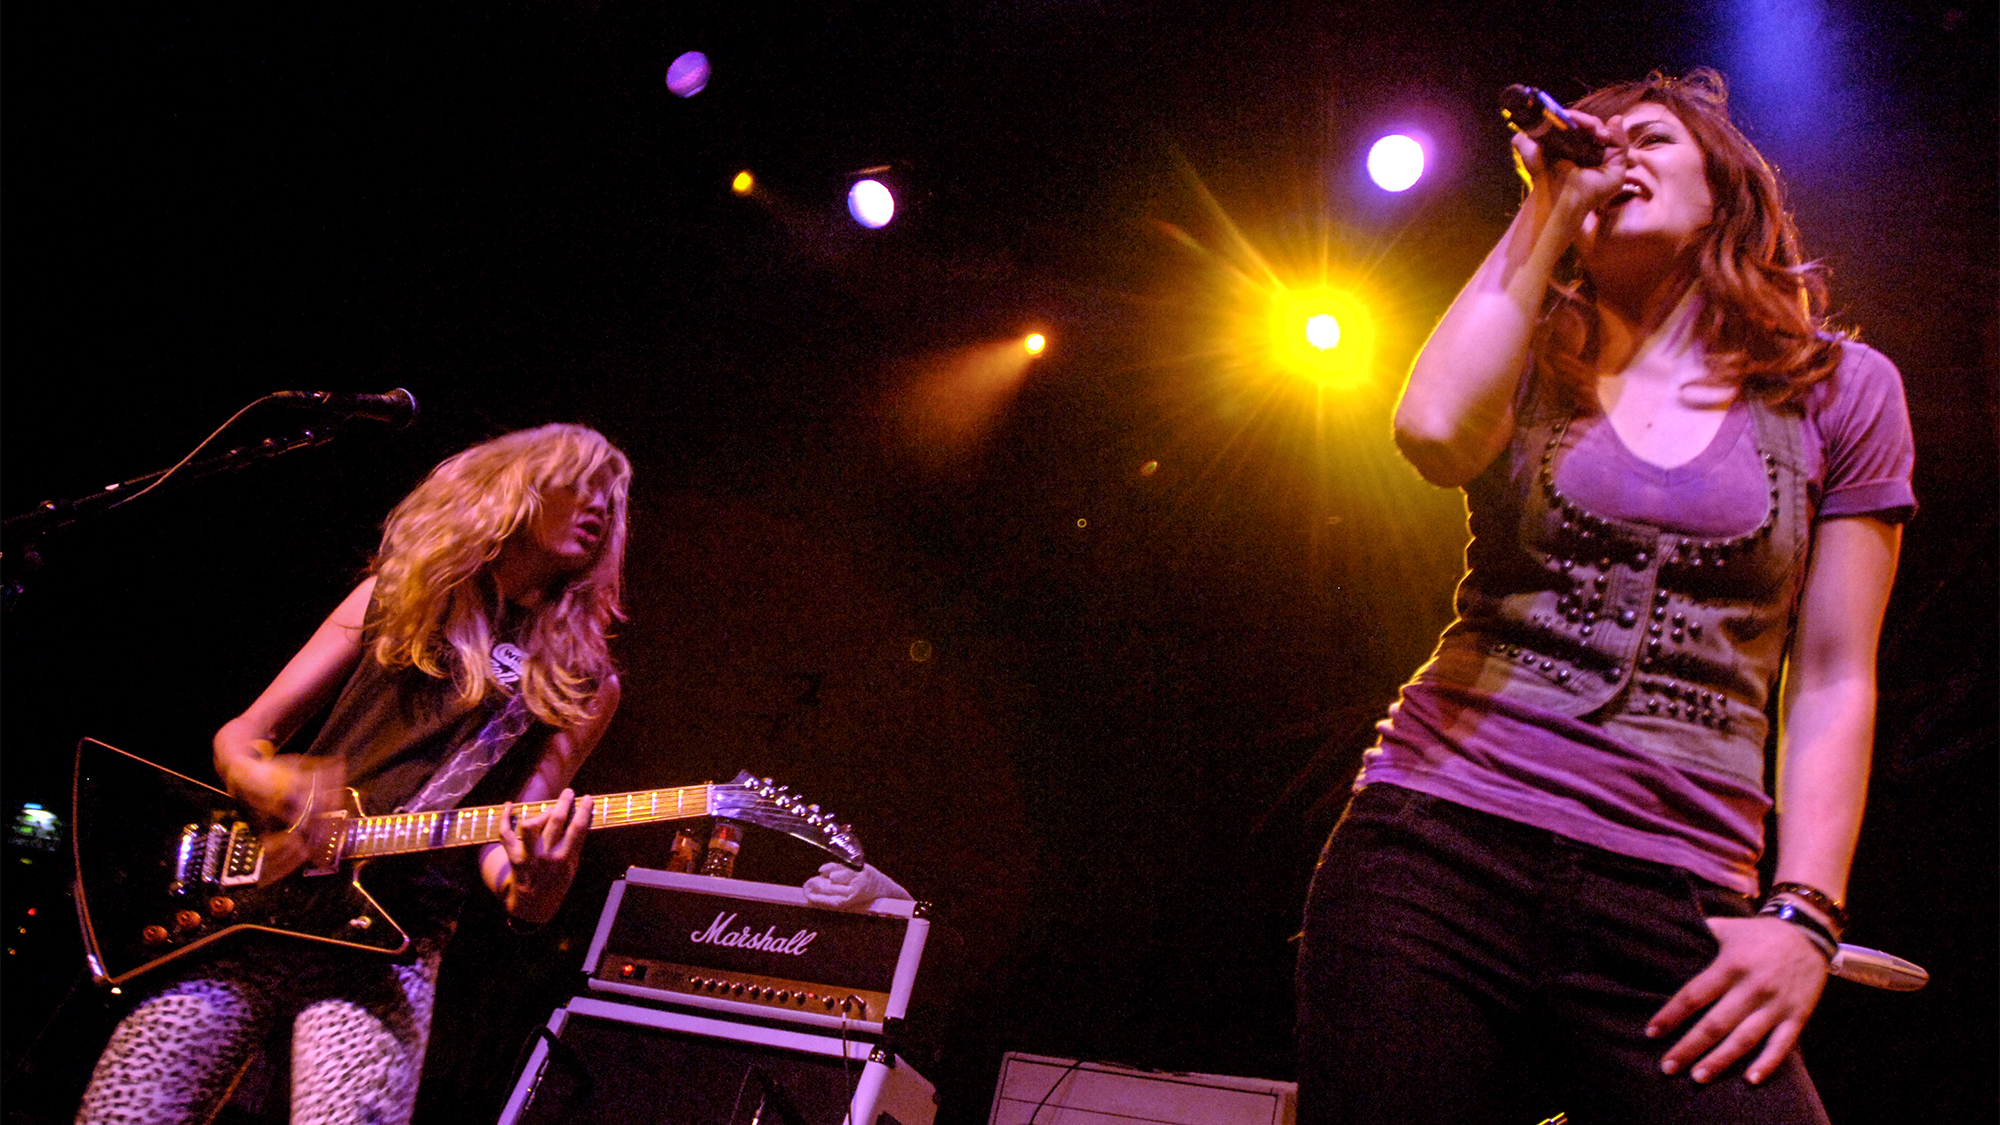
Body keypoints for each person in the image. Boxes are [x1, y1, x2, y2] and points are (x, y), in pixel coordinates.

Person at [1295, 70, 1913, 1124]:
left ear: (1728, 191)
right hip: (1440, 845)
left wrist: (1804, 914)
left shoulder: (1842, 390)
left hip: (1675, 894)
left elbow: (1832, 677)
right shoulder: (1529, 340)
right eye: (1597, 142)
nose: (1613, 154)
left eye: (1651, 139)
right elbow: (1432, 433)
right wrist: (1545, 204)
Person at [76, 423, 631, 1125]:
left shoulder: (583, 678)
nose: (602, 509)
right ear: (518, 486)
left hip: (389, 940)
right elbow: (243, 735)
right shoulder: (395, 595)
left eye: (614, 502)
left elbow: (510, 846)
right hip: (252, 905)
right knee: (126, 1111)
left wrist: (537, 885)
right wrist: (271, 781)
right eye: (584, 484)